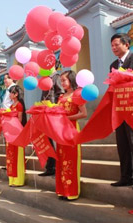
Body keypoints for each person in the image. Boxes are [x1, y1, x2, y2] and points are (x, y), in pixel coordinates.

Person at [109, 33, 133, 191]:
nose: (114, 48)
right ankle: (126, 177)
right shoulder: (113, 64)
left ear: (127, 44)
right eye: (112, 46)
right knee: (122, 145)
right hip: (119, 110)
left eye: (116, 44)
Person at [56, 70, 87, 200]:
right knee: (61, 160)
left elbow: (84, 113)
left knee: (71, 160)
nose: (62, 83)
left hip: (72, 130)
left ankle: (71, 191)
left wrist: (68, 118)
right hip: (61, 132)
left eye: (64, 80)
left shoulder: (77, 94)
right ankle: (62, 190)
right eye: (61, 80)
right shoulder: (61, 97)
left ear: (72, 80)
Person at [39, 60, 65, 177]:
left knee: (53, 140)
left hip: (53, 113)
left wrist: (56, 109)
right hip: (45, 112)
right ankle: (50, 167)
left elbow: (60, 94)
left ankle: (55, 166)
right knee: (47, 140)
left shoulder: (57, 77)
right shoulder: (46, 78)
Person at [6, 85, 26, 186]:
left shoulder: (19, 105)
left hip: (17, 132)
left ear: (16, 94)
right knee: (11, 156)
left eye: (11, 92)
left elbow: (20, 119)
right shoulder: (11, 106)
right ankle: (12, 179)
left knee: (17, 155)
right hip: (11, 133)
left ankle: (18, 180)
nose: (9, 94)